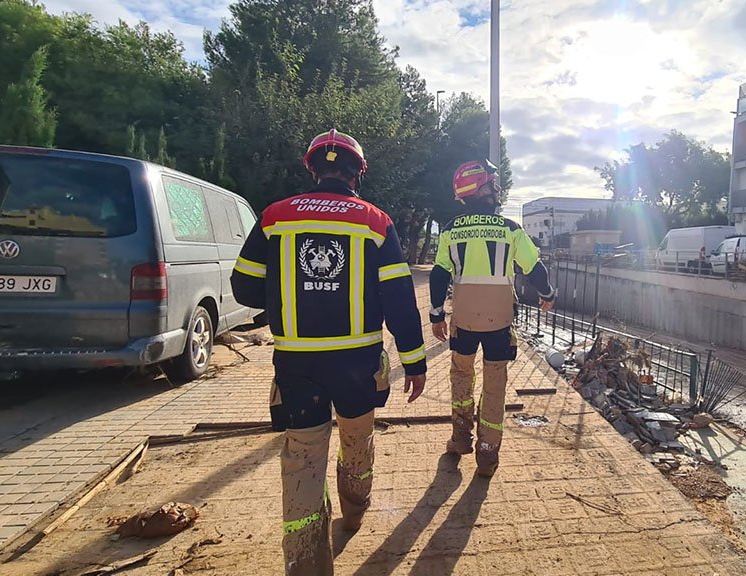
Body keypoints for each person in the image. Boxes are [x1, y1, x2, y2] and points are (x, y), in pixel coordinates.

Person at [231, 129, 427, 576]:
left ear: (312, 168)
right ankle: (355, 511)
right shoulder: (376, 221)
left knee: (302, 455)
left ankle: (305, 563)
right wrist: (414, 360)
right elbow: (398, 299)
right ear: (358, 172)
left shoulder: (276, 217)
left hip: (297, 363)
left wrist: (286, 295)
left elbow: (243, 286)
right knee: (357, 438)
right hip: (359, 363)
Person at [428, 159, 555, 478]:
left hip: (464, 321)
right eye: (491, 184)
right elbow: (534, 268)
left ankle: (460, 438)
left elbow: (439, 273)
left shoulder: (450, 230)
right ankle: (487, 453)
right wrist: (548, 293)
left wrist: (436, 313)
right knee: (495, 383)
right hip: (499, 322)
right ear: (477, 189)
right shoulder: (511, 229)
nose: (497, 189)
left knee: (461, 376)